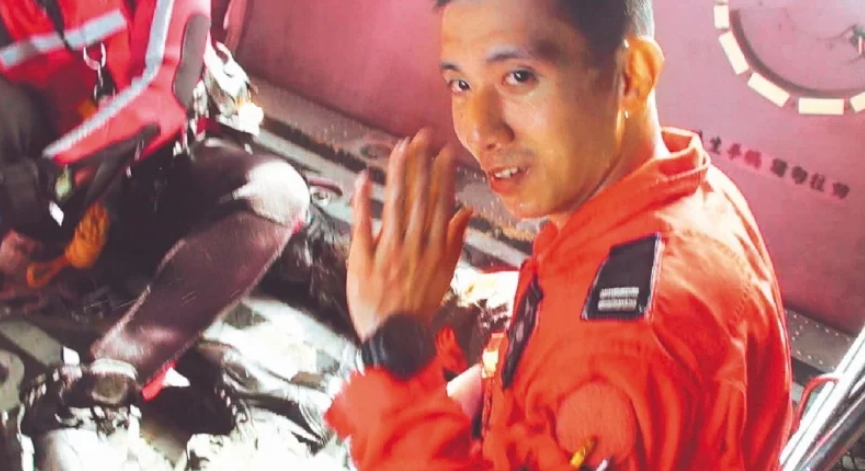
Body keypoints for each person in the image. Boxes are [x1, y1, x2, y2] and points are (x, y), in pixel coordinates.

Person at [323, 0, 794, 469]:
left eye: (519, 77)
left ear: (631, 75)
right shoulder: (675, 188)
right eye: (461, 85)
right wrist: (478, 390)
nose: (478, 130)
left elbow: (606, 362)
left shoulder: (624, 349)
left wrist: (394, 364)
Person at [0, 0, 343, 468]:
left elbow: (163, 93)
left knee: (275, 193)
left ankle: (94, 387)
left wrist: (45, 182)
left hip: (150, 175)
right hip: (58, 206)